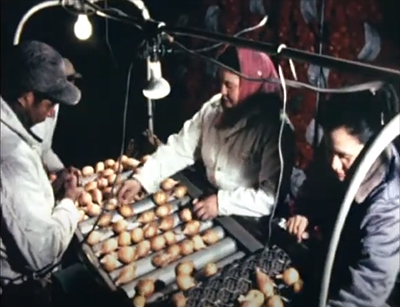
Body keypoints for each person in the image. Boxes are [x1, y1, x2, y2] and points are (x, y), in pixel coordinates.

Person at [118, 46, 295, 219]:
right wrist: (143, 178)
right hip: (211, 201)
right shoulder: (215, 109)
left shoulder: (275, 130)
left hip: (251, 221)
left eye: (229, 85)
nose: (222, 91)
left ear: (251, 87)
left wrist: (221, 204)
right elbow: (180, 148)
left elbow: (269, 198)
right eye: (221, 83)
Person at [286, 91, 400, 307]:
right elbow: (316, 183)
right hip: (328, 262)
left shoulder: (389, 205)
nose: (333, 164)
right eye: (330, 152)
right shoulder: (337, 149)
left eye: (344, 157)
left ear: (372, 151)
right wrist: (304, 212)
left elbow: (367, 289)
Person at [0, 41, 82, 306]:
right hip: (19, 293)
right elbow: (42, 254)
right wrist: (69, 202)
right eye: (49, 103)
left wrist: (50, 189)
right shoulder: (11, 158)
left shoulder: (14, 128)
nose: (51, 114)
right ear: (26, 96)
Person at [31, 58, 82, 174]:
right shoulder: (36, 105)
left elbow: (45, 149)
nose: (51, 112)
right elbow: (31, 151)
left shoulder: (56, 105)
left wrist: (61, 171)